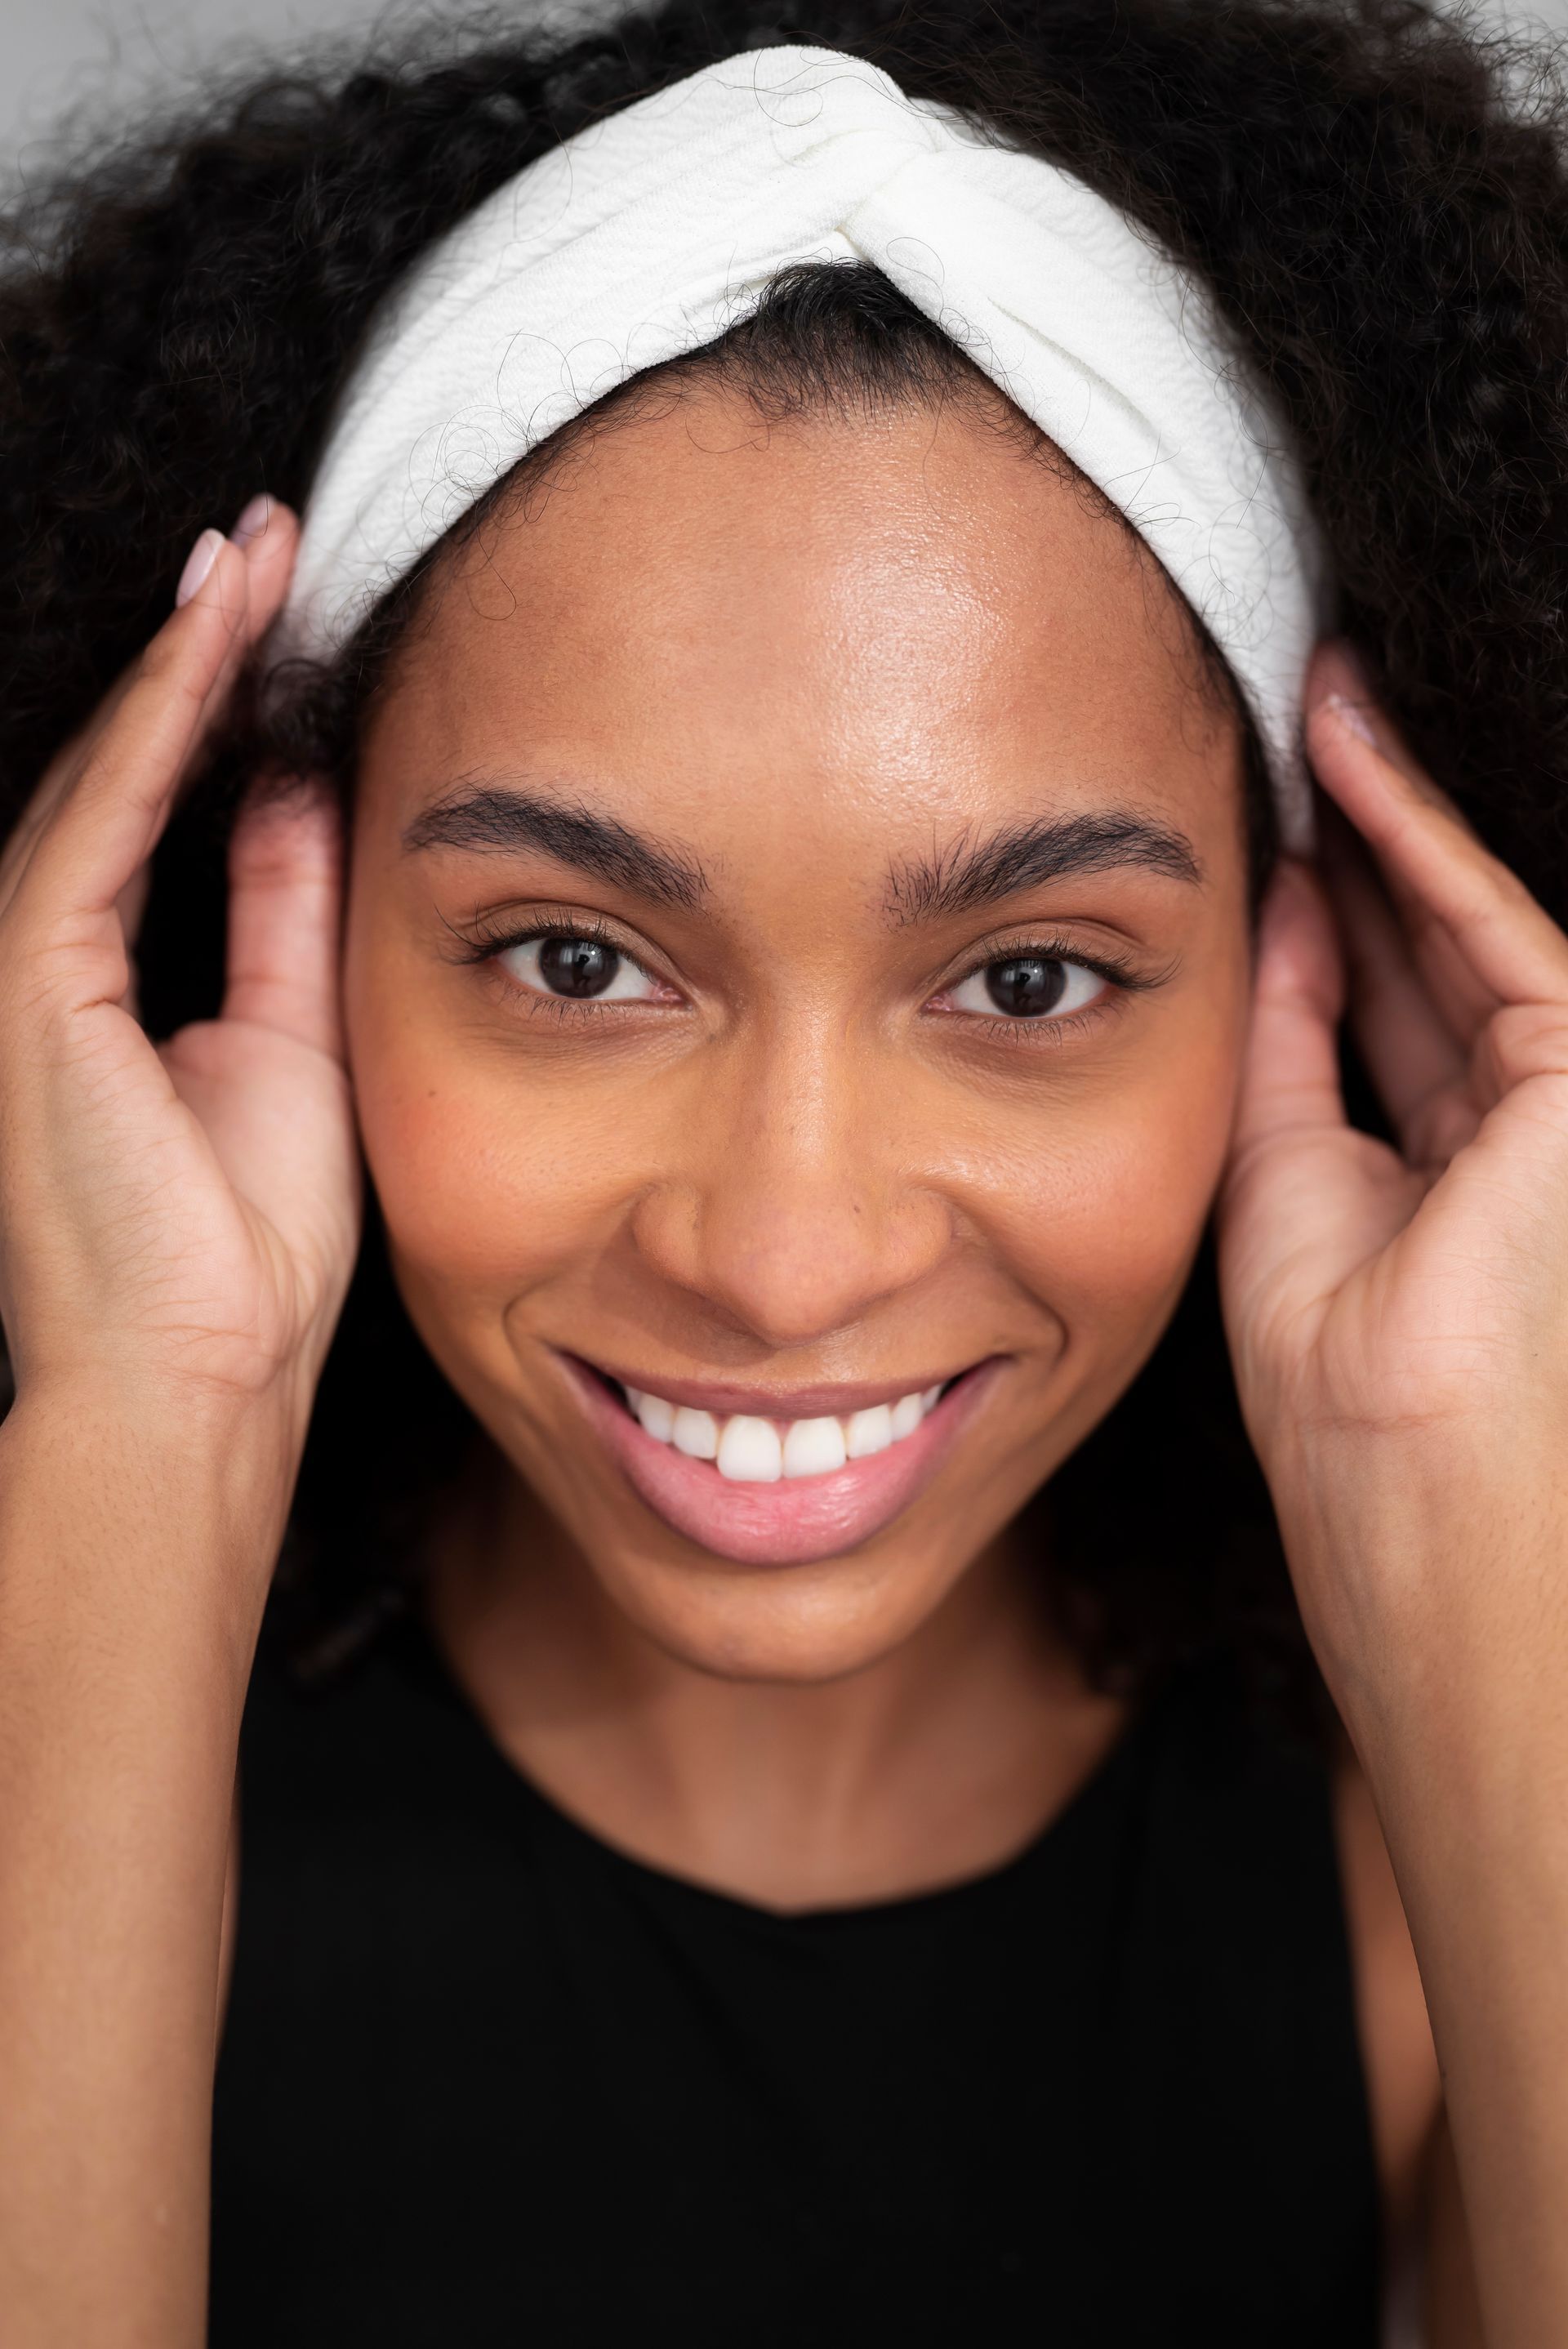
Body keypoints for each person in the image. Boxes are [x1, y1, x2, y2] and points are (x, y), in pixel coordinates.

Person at [1, 0, 1566, 2342]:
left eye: (1029, 982)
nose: (783, 1250)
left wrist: (1475, 1514)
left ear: (1293, 956)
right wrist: (138, 1436)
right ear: (276, 922)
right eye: (571, 955)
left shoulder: (1434, 1865)